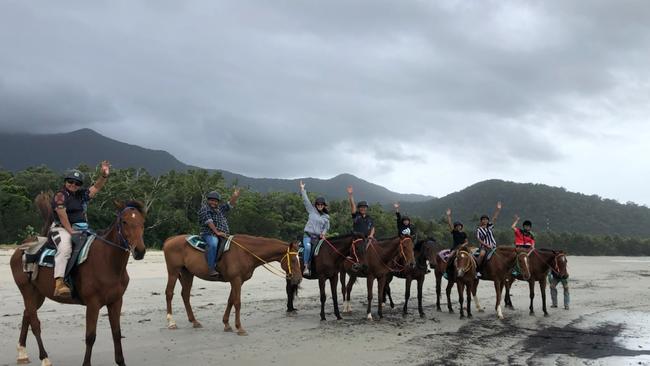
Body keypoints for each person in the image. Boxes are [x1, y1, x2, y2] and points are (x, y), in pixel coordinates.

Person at [50, 161, 111, 297]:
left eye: (77, 183)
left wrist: (104, 176)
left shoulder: (80, 195)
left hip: (83, 229)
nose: (73, 185)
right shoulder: (60, 195)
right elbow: (61, 213)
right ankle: (59, 282)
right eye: (71, 182)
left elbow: (96, 188)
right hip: (62, 229)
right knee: (65, 248)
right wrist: (70, 231)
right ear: (66, 182)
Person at [197, 188, 241, 277]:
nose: (213, 202)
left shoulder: (220, 209)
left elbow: (229, 205)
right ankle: (211, 268)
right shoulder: (205, 209)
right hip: (209, 233)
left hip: (223, 234)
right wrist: (217, 232)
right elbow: (209, 222)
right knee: (213, 244)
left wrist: (235, 196)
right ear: (208, 200)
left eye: (216, 201)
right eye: (211, 200)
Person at [299, 181, 330, 276]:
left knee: (322, 251)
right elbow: (306, 200)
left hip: (318, 237)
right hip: (307, 235)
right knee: (308, 248)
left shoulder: (326, 217)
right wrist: (302, 189)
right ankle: (305, 266)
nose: (320, 206)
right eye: (318, 204)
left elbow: (326, 227)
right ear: (316, 205)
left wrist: (323, 233)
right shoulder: (311, 210)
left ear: (324, 205)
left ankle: (318, 268)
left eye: (322, 204)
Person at [475, 201, 502, 278]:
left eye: (486, 219)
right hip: (484, 247)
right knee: (482, 255)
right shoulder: (479, 229)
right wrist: (486, 245)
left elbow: (495, 218)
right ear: (481, 221)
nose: (485, 220)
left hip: (493, 246)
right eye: (483, 219)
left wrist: (498, 209)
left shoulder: (490, 226)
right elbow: (479, 239)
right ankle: (477, 270)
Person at [444, 208, 469, 278]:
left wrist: (462, 245)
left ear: (461, 226)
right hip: (455, 248)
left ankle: (474, 271)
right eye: (457, 226)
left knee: (472, 257)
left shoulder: (464, 233)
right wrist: (448, 216)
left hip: (463, 248)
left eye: (459, 226)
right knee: (449, 257)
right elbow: (449, 224)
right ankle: (446, 271)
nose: (458, 227)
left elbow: (467, 242)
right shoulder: (454, 232)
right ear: (455, 227)